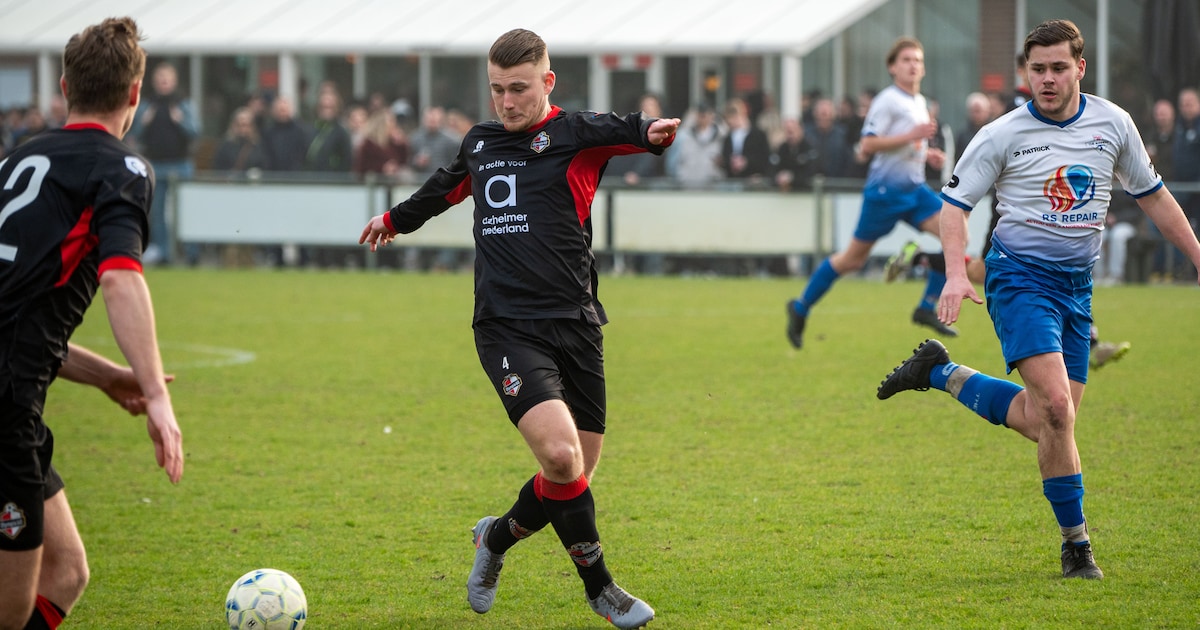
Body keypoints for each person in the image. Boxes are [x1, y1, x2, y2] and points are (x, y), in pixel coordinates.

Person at [358, 28, 677, 629]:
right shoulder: (480, 143)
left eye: (520, 89)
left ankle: (496, 538)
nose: (506, 102)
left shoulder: (574, 134)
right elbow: (444, 187)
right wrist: (394, 219)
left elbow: (627, 127)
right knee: (559, 455)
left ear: (547, 82)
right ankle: (602, 590)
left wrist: (652, 132)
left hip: (577, 323)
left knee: (571, 475)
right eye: (497, 89)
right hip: (506, 327)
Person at [877, 19, 1200, 580]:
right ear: (1027, 72)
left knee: (1046, 419)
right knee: (1055, 407)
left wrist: (1196, 254)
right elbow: (954, 207)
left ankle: (939, 372)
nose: (1047, 79)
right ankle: (1077, 546)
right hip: (1019, 279)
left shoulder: (1114, 124)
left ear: (1080, 68)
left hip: (1077, 288)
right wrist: (954, 274)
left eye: (1058, 68)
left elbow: (1153, 196)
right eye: (1038, 69)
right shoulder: (1002, 133)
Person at [0, 17, 184, 629]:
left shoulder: (17, 161)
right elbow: (120, 278)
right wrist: (156, 394)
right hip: (6, 409)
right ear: (135, 93)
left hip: (14, 396)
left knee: (67, 571)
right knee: (9, 612)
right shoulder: (120, 169)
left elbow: (18, 317)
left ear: (64, 87)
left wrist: (107, 376)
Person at [785, 37, 951, 349]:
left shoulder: (919, 101)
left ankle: (926, 307)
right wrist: (912, 136)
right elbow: (868, 143)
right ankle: (800, 307)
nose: (913, 65)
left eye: (917, 60)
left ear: (924, 68)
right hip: (885, 193)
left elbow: (907, 144)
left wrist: (927, 155)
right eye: (906, 60)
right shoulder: (887, 101)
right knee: (851, 260)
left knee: (955, 233)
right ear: (892, 67)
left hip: (914, 189)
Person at [130, 61, 199, 265]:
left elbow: (195, 132)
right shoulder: (146, 105)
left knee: (186, 210)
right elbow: (134, 135)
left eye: (167, 78)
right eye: (160, 78)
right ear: (154, 81)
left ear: (174, 81)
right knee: (157, 213)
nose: (163, 81)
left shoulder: (184, 104)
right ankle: (164, 253)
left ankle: (191, 254)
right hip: (155, 166)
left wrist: (181, 121)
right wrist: (143, 123)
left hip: (181, 165)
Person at [719, 97, 771, 181]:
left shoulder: (758, 135)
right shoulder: (728, 138)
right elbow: (726, 160)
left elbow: (765, 159)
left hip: (753, 181)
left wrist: (747, 162)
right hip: (733, 181)